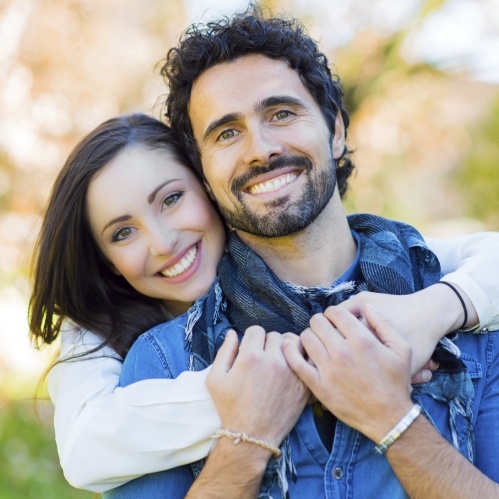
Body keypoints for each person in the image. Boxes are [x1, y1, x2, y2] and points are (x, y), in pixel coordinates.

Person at [108, 5, 499, 498]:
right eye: (227, 133)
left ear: (335, 130)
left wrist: (394, 419)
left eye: (281, 113)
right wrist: (244, 446)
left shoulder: (467, 318)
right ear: (203, 174)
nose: (260, 148)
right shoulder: (163, 363)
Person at [29, 115, 499, 496]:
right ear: (106, 261)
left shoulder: (389, 262)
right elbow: (86, 451)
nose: (163, 241)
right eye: (122, 232)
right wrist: (304, 379)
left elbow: (481, 263)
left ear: (212, 187)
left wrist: (439, 308)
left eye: (171, 199)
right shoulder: (122, 348)